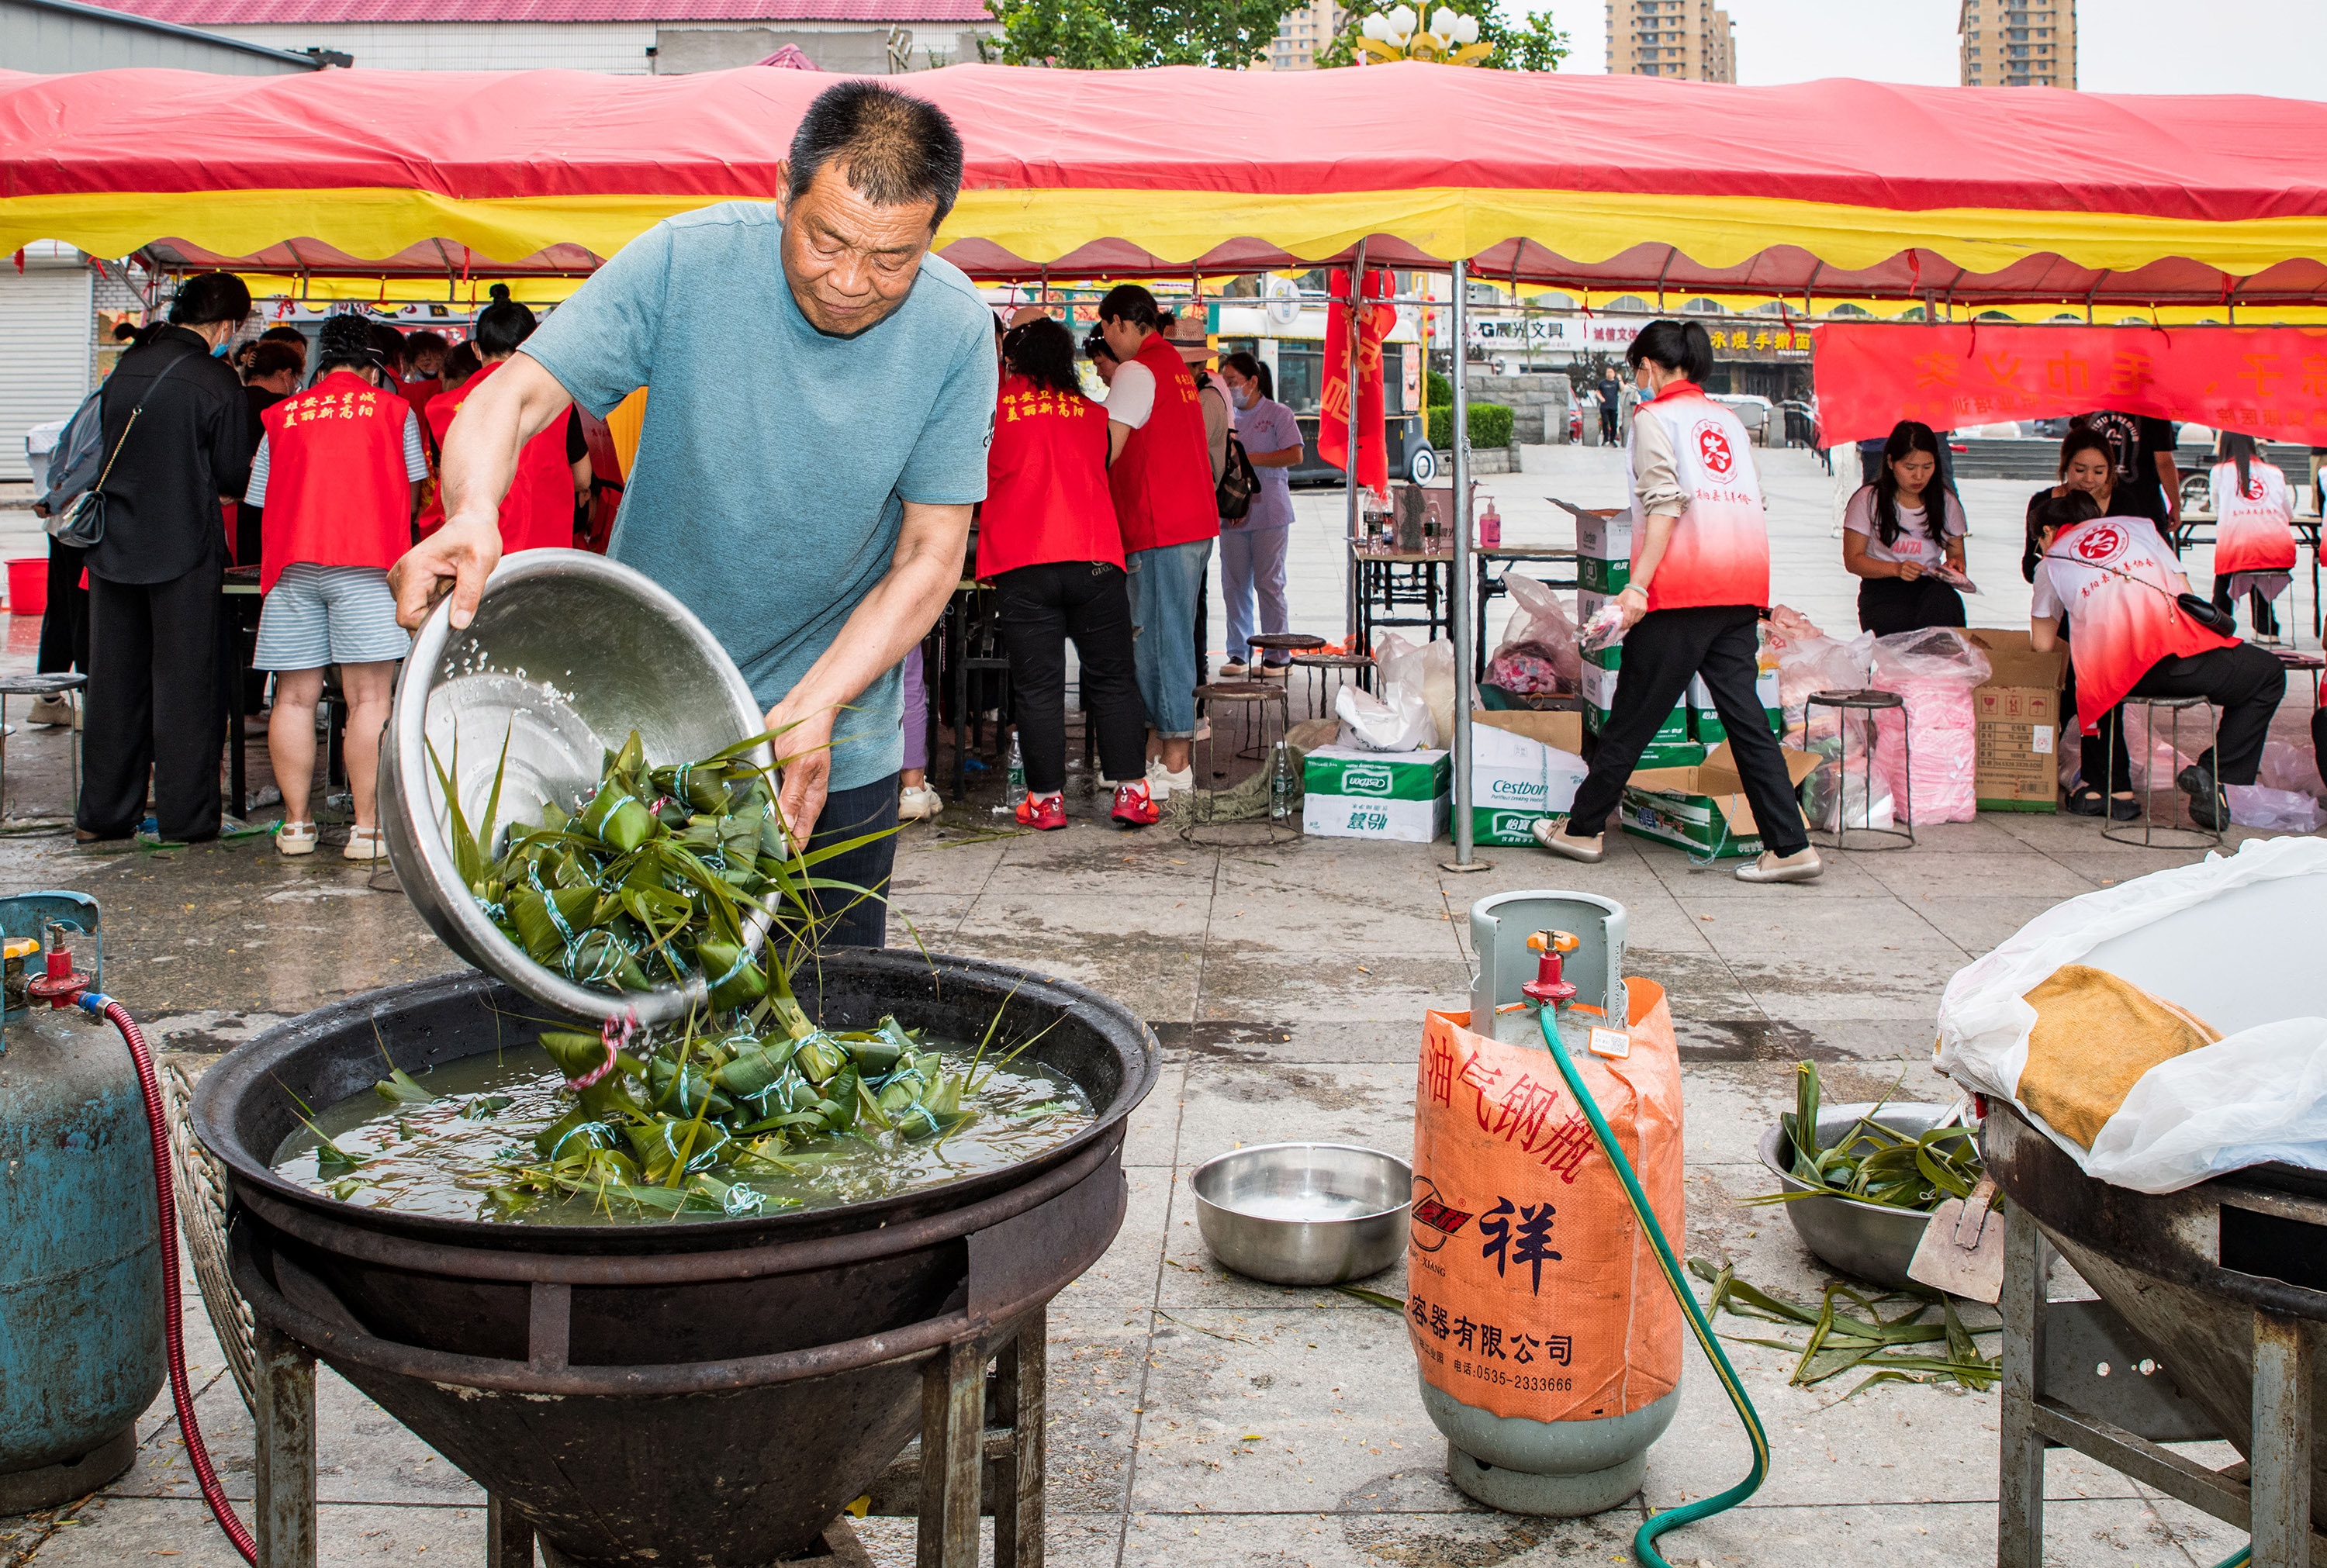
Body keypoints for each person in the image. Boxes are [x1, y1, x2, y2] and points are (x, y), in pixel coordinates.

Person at [390, 81, 997, 952]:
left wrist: (814, 706)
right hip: (642, 717)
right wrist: (472, 509)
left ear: (933, 230)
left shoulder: (955, 327)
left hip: (830, 736)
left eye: (892, 258)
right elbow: (516, 395)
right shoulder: (688, 260)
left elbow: (932, 554)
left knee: (819, 1018)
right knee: (627, 1012)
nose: (851, 283)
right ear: (782, 187)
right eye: (826, 240)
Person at [1533, 319, 1820, 884]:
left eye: (1635, 368)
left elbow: (1666, 505)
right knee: (1745, 723)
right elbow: (1748, 503)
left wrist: (1637, 586)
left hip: (1683, 590)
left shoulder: (1653, 417)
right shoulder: (1728, 422)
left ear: (1647, 366)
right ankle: (1791, 846)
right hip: (1738, 587)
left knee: (1632, 717)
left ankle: (1582, 829)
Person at [77, 272, 254, 844]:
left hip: (113, 549)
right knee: (186, 687)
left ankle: (105, 814)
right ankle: (185, 820)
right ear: (226, 325)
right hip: (184, 549)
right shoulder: (216, 380)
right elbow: (232, 476)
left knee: (113, 686)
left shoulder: (126, 368)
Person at [243, 315, 426, 859]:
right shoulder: (395, 413)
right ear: (374, 366)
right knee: (368, 696)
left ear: (322, 361)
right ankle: (366, 830)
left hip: (293, 568)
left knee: (294, 699)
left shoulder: (280, 415)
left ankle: (297, 827)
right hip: (368, 566)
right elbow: (413, 496)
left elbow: (258, 500)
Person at [980, 316, 1156, 831]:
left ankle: (1046, 801)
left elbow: (976, 479)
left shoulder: (993, 410)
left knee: (1038, 687)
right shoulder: (1092, 412)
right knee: (1113, 679)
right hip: (1096, 559)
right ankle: (1132, 793)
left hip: (1024, 562)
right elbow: (1100, 465)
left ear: (1011, 360)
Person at [2028, 492, 2284, 831]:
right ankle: (2214, 771)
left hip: (2116, 677)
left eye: (2038, 543)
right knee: (2269, 674)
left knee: (2088, 661)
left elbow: (2042, 645)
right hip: (2184, 658)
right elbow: (2185, 593)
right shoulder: (2143, 528)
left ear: (2048, 531)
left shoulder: (2051, 562)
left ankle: (2108, 790)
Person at [1094, 284, 1219, 802]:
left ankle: (1175, 763)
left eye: (1105, 330)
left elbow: (1108, 449)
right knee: (1165, 639)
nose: (1106, 342)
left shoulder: (1136, 370)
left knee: (1160, 643)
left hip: (1160, 525)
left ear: (1124, 322)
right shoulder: (1173, 367)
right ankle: (1150, 754)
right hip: (1188, 523)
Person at [2023, 429, 2161, 817]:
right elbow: (2029, 563)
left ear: (2112, 472)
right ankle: (2091, 781)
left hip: (2116, 622)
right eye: (2080, 469)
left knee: (2095, 686)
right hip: (2074, 616)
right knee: (2079, 689)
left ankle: (2105, 785)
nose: (2089, 478)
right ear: (2064, 467)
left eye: (2099, 471)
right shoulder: (2045, 509)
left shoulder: (2127, 504)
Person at [417, 286, 579, 551]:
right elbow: (582, 478)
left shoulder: (440, 407)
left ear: (476, 349)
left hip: (470, 548)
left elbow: (441, 477)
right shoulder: (559, 403)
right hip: (541, 551)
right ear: (533, 343)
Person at [1213, 353, 1304, 675]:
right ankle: (1238, 653)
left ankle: (1278, 655)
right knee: (1234, 584)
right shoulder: (1225, 416)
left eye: (1234, 382)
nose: (1230, 388)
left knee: (1269, 584)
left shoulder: (1278, 413)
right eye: (1225, 382)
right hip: (1232, 513)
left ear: (1253, 382)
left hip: (1270, 514)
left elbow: (1295, 454)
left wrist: (1249, 459)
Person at [1841, 420, 1969, 634]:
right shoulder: (1867, 500)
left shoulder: (1947, 502)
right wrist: (1897, 569)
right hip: (1883, 589)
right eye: (1910, 467)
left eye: (1927, 467)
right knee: (1898, 625)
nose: (1919, 476)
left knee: (1945, 606)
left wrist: (1955, 565)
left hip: (1930, 586)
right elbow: (1853, 560)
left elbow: (1956, 552)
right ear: (1891, 462)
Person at [2208, 434, 2295, 641]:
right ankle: (2266, 628)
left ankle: (2217, 626)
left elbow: (2217, 509)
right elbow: (2288, 513)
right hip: (2278, 551)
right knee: (2257, 566)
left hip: (2237, 552)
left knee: (2230, 571)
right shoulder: (2274, 472)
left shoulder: (2218, 472)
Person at [2074, 409, 2180, 536]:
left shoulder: (2090, 407)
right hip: (2142, 506)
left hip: (2092, 506)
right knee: (2147, 553)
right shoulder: (2154, 412)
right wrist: (2176, 505)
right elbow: (2164, 463)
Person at [1596, 367, 1620, 445]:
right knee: (1605, 422)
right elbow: (1598, 392)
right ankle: (1605, 439)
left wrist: (1620, 379)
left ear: (1614, 374)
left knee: (1614, 424)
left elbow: (1622, 389)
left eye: (1611, 372)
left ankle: (1612, 440)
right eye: (1608, 372)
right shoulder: (1602, 383)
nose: (1609, 373)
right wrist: (1601, 398)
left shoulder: (1616, 383)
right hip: (1604, 407)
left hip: (1613, 406)